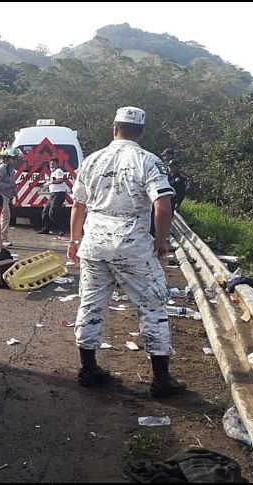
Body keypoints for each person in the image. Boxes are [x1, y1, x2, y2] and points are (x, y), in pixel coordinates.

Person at [67, 106, 186, 398]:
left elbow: (78, 205)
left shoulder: (92, 160)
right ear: (141, 132)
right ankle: (160, 380)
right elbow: (163, 206)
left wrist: (74, 241)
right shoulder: (149, 161)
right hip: (131, 244)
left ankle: (88, 369)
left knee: (91, 304)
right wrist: (161, 242)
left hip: (94, 242)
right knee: (153, 305)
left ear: (114, 127)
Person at [0, 147, 19, 247]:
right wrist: (8, 186)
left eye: (15, 158)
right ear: (7, 158)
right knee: (5, 216)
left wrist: (15, 194)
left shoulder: (12, 170)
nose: (15, 160)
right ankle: (3, 238)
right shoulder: (2, 168)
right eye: (13, 158)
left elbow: (13, 183)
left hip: (6, 195)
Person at [38, 158, 68, 235]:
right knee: (45, 212)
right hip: (53, 194)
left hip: (59, 194)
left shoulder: (58, 171)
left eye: (53, 164)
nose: (51, 165)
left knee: (53, 213)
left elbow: (61, 180)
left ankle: (63, 229)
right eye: (50, 164)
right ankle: (45, 229)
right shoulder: (52, 173)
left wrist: (50, 182)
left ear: (57, 164)